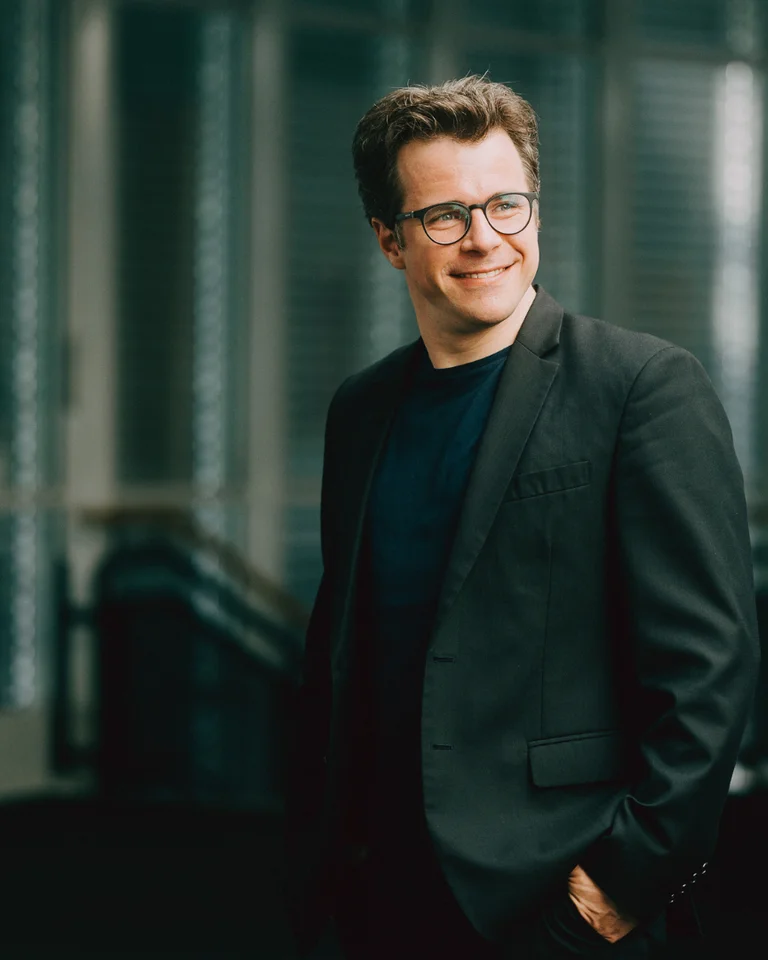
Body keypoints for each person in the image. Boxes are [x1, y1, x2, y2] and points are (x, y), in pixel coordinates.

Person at [284, 76, 760, 959]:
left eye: (507, 204)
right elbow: (347, 649)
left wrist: (613, 895)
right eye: (445, 216)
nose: (485, 240)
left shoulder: (640, 389)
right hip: (381, 893)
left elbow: (709, 674)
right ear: (389, 240)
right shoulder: (360, 410)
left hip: (558, 899)